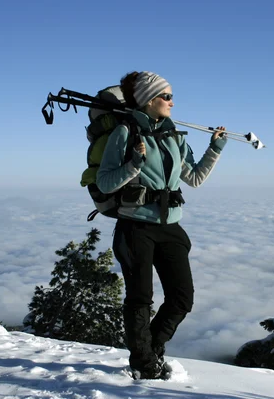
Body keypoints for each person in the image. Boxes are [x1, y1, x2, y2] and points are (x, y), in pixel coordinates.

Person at [95, 71, 227, 379]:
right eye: (166, 96)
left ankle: (150, 349)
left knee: (182, 297)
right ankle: (144, 364)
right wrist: (134, 165)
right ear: (149, 100)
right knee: (140, 297)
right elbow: (105, 182)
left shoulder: (174, 136)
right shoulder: (125, 134)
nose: (171, 101)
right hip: (135, 227)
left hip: (170, 227)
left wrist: (215, 148)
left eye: (171, 96)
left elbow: (193, 178)